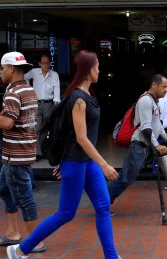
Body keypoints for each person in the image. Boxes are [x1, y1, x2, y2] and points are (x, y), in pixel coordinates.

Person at [7, 50, 120, 259]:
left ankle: (111, 257)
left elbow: (71, 135)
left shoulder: (87, 95)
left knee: (103, 207)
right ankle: (21, 249)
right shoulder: (77, 99)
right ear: (88, 70)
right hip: (77, 163)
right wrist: (104, 164)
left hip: (85, 163)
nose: (99, 70)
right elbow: (81, 138)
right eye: (96, 66)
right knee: (66, 214)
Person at [0, 52, 46, 253]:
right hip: (24, 151)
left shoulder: (12, 93)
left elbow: (8, 122)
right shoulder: (29, 90)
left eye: (1, 68)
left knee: (24, 198)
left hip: (15, 154)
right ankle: (13, 233)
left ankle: (35, 241)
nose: (0, 72)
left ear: (11, 69)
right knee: (3, 189)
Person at [108, 74, 167, 205]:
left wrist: (166, 138)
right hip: (138, 146)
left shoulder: (155, 101)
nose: (166, 90)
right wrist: (156, 145)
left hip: (144, 147)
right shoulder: (145, 101)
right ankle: (103, 201)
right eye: (164, 87)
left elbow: (157, 124)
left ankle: (104, 199)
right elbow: (145, 127)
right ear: (154, 85)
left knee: (128, 177)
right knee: (125, 178)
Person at [25, 54, 60, 158]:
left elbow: (57, 89)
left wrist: (56, 103)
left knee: (47, 128)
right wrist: (28, 88)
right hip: (36, 104)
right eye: (44, 63)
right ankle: (37, 153)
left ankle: (43, 150)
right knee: (37, 128)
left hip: (49, 104)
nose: (46, 65)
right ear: (39, 64)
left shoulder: (54, 75)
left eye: (48, 62)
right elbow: (24, 77)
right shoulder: (34, 72)